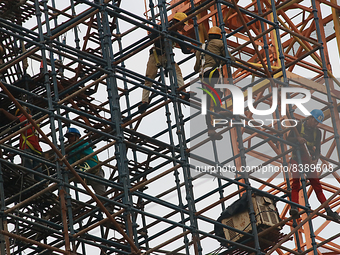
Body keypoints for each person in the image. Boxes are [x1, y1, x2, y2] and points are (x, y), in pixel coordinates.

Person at [287, 109, 340, 220]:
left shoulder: (317, 132)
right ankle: (294, 208)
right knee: (296, 184)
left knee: (317, 186)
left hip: (308, 160)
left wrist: (315, 160)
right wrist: (298, 138)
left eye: (317, 122)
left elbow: (317, 151)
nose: (316, 124)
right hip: (297, 158)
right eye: (315, 121)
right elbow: (288, 139)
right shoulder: (298, 126)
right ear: (310, 118)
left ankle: (328, 211)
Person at [138, 12, 196, 113]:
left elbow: (184, 49)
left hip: (167, 57)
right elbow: (151, 37)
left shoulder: (177, 34)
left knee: (177, 72)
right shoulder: (162, 27)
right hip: (155, 55)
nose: (183, 27)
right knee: (149, 78)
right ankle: (144, 101)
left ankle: (183, 92)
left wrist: (193, 51)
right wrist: (163, 33)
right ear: (175, 22)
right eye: (182, 25)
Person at [194, 26, 234, 140]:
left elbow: (196, 67)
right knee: (217, 91)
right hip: (213, 72)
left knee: (207, 101)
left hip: (203, 75)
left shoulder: (201, 47)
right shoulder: (220, 43)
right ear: (219, 36)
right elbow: (229, 58)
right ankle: (217, 110)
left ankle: (210, 128)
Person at [0, 107, 43, 181]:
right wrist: (13, 155)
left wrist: (3, 110)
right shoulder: (34, 122)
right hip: (37, 149)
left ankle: (30, 183)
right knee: (38, 171)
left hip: (28, 147)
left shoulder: (25, 116)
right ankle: (42, 185)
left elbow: (15, 119)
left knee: (28, 169)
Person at [65, 127, 107, 197]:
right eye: (68, 137)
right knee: (65, 174)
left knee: (102, 196)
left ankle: (107, 207)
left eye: (71, 136)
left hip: (95, 173)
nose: (69, 138)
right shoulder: (71, 151)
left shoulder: (82, 143)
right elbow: (69, 163)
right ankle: (64, 196)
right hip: (85, 173)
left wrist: (64, 152)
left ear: (77, 137)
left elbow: (74, 150)